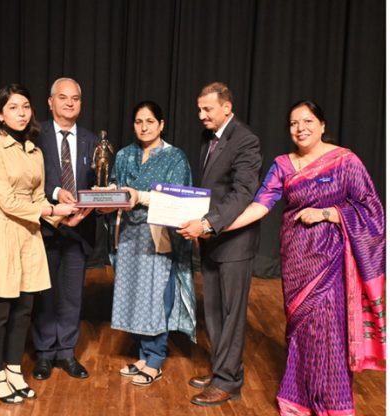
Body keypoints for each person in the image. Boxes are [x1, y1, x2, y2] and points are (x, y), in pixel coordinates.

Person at [220, 100, 386, 415]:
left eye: (308, 121)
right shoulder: (283, 164)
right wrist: (214, 225)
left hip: (331, 263)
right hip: (295, 260)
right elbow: (261, 205)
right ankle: (298, 398)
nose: (301, 128)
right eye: (294, 123)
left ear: (322, 125)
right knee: (301, 331)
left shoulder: (344, 162)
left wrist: (327, 213)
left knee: (329, 333)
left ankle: (333, 404)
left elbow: (372, 210)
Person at [0, 84, 91, 404]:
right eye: (13, 108)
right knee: (0, 309)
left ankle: (12, 369)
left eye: (25, 107)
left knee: (24, 308)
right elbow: (8, 202)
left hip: (29, 234)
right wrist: (52, 210)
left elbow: (37, 198)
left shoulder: (34, 151)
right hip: (0, 232)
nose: (22, 113)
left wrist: (63, 219)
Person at [177, 82, 262, 406]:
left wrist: (208, 223)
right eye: (199, 109)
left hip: (234, 243)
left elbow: (243, 193)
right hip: (211, 240)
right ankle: (221, 369)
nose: (201, 115)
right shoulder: (209, 138)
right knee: (212, 311)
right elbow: (210, 189)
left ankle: (229, 382)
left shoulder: (246, 140)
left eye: (207, 109)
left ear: (227, 107)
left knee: (231, 313)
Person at [102, 101, 197, 387]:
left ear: (162, 125)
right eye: (139, 122)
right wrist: (106, 196)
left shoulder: (174, 157)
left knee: (157, 296)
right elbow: (117, 187)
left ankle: (155, 359)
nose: (144, 127)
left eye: (150, 122)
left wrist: (138, 196)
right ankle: (143, 355)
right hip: (129, 236)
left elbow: (176, 198)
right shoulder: (124, 155)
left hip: (159, 236)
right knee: (135, 296)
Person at [30, 78, 98, 381]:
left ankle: (67, 352)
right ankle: (44, 354)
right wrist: (56, 194)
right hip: (44, 228)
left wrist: (89, 206)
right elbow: (28, 180)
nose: (70, 103)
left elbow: (98, 185)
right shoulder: (34, 136)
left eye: (75, 98)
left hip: (78, 230)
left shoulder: (92, 140)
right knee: (45, 294)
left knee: (72, 295)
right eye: (63, 97)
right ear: (50, 101)